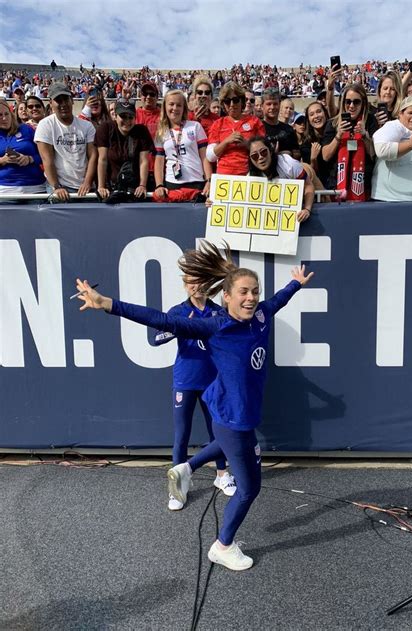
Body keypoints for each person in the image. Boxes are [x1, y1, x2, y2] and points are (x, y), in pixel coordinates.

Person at [75, 241, 314, 571]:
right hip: (232, 418)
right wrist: (107, 304)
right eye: (243, 292)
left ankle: (186, 468)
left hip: (236, 416)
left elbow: (276, 301)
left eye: (255, 291)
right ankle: (223, 545)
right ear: (226, 297)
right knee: (249, 488)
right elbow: (158, 318)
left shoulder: (260, 315)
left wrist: (294, 285)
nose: (251, 298)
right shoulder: (214, 326)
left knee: (227, 447)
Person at [154, 277, 236, 510]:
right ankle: (177, 489)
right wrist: (176, 328)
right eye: (191, 282)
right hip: (185, 381)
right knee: (182, 435)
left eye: (201, 282)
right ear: (184, 284)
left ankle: (222, 474)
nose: (196, 286)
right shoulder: (178, 311)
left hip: (213, 382)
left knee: (217, 431)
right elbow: (155, 339)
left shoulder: (218, 311)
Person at [34, 82, 97, 200]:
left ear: (72, 100)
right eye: (58, 100)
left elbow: (93, 156)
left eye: (66, 99)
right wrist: (57, 186)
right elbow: (47, 159)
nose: (63, 104)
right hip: (61, 187)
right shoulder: (45, 125)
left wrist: (88, 182)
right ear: (51, 103)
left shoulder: (87, 126)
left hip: (86, 187)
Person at [321, 83, 377, 201]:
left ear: (363, 104)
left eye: (356, 102)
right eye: (348, 102)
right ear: (343, 103)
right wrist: (338, 135)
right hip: (336, 184)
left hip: (364, 186)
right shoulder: (333, 123)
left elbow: (374, 154)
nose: (351, 106)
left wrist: (365, 136)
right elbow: (325, 156)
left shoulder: (371, 121)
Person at [153, 89, 212, 203]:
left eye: (179, 105)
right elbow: (159, 161)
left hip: (196, 182)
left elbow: (204, 157)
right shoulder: (161, 132)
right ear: (165, 106)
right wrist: (159, 185)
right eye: (171, 104)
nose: (175, 108)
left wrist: (209, 180)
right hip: (172, 183)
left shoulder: (195, 126)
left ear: (184, 108)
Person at [95, 100, 155, 202]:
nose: (127, 121)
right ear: (115, 116)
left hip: (134, 187)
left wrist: (142, 185)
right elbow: (102, 159)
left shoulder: (141, 131)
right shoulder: (105, 128)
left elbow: (143, 161)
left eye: (130, 117)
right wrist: (101, 186)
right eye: (123, 116)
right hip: (111, 186)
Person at [247, 136, 314, 222]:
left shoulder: (288, 163)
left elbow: (308, 185)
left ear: (270, 151)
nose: (260, 157)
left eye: (263, 152)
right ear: (250, 160)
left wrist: (307, 209)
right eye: (255, 156)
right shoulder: (250, 178)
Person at [206, 81, 265, 175]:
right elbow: (210, 156)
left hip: (249, 174)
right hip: (224, 176)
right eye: (227, 101)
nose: (232, 104)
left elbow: (265, 151)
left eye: (235, 100)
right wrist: (226, 142)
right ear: (223, 104)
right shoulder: (218, 124)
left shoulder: (255, 122)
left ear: (242, 101)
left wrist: (247, 144)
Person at [0, 99, 46, 195]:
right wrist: (3, 160)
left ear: (11, 113)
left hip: (35, 188)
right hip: (5, 191)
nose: (4, 118)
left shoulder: (27, 129)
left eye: (6, 114)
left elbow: (45, 155)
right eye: (0, 115)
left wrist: (29, 159)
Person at [135, 82, 161, 191]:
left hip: (158, 169)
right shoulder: (133, 115)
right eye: (145, 94)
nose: (148, 97)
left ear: (157, 97)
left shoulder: (164, 115)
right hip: (137, 168)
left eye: (152, 94)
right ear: (140, 96)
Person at [261, 88, 299, 158]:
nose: (272, 107)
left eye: (275, 104)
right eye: (268, 104)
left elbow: (297, 153)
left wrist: (289, 154)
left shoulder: (289, 129)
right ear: (262, 106)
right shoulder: (257, 128)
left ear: (279, 105)